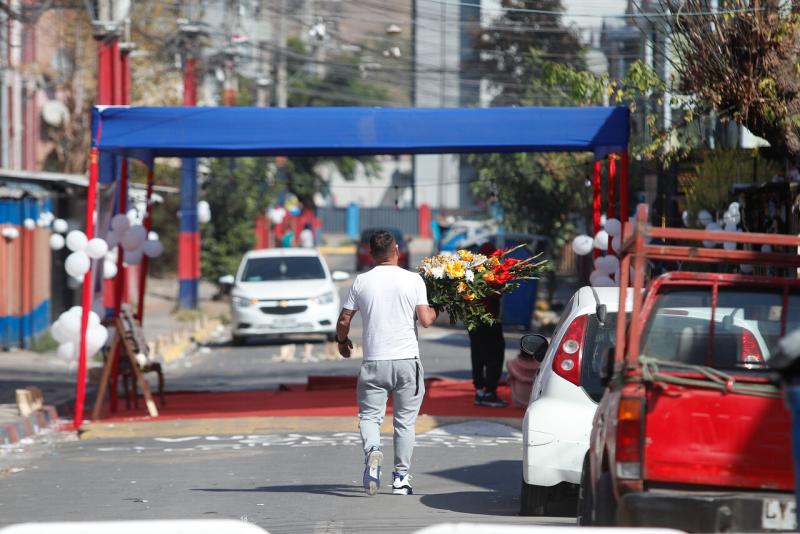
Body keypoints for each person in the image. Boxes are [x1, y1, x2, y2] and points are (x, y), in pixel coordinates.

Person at [335, 229, 438, 496]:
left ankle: (373, 450)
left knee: (369, 416)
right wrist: (437, 308)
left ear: (371, 254)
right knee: (404, 423)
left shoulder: (361, 282)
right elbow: (425, 320)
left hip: (374, 363)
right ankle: (401, 479)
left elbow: (345, 319)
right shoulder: (413, 280)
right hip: (407, 363)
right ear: (397, 251)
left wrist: (342, 341)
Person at [469, 242, 508, 408]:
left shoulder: (470, 272)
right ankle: (490, 391)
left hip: (472, 319)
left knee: (477, 354)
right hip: (490, 319)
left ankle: (479, 390)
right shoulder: (492, 273)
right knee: (495, 355)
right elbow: (497, 292)